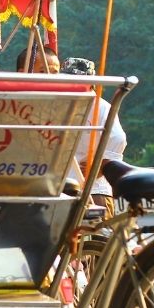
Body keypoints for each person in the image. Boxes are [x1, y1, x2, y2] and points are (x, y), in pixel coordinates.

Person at [59, 57, 127, 218]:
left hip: (93, 189)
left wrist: (99, 165)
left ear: (90, 82)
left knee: (98, 239)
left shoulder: (101, 107)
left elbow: (118, 139)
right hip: (59, 189)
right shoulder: (57, 102)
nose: (72, 85)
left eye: (78, 80)